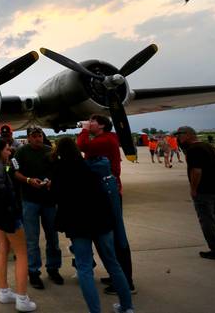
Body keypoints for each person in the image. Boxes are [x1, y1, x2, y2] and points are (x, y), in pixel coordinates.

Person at [51, 138, 134, 313]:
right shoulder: (91, 165)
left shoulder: (59, 169)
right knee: (113, 264)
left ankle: (95, 311)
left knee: (84, 268)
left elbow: (55, 196)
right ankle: (127, 307)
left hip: (77, 223)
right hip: (101, 219)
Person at [77, 114, 135, 295]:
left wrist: (84, 129)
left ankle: (126, 281)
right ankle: (116, 274)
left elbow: (82, 145)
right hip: (104, 191)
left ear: (101, 126)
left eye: (93, 121)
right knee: (109, 235)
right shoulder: (105, 138)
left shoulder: (105, 140)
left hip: (108, 193)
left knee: (116, 236)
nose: (89, 123)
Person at [0, 139, 36, 312]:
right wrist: (10, 201)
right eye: (6, 149)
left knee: (2, 248)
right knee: (22, 253)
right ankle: (22, 298)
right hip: (7, 214)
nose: (9, 152)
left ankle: (4, 291)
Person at [12, 127, 62, 290]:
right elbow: (15, 172)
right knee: (32, 240)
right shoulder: (21, 152)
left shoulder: (50, 151)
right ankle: (33, 272)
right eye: (34, 136)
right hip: (30, 201)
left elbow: (57, 172)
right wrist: (27, 180)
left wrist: (51, 181)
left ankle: (53, 269)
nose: (37, 139)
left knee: (53, 238)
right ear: (28, 138)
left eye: (39, 135)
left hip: (49, 201)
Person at [176, 126, 215, 261]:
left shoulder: (193, 150)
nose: (178, 138)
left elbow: (196, 171)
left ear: (189, 135)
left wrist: (193, 189)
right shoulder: (209, 147)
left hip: (204, 192)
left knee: (207, 220)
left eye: (180, 135)